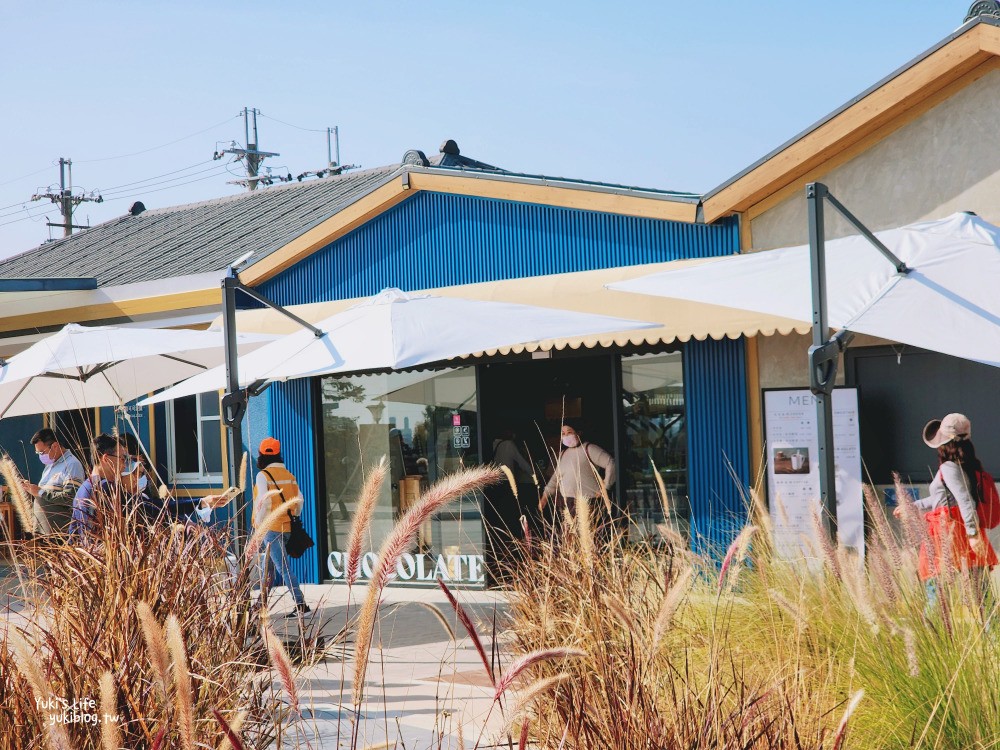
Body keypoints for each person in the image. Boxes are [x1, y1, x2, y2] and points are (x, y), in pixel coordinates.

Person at [895, 413, 997, 612]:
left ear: (944, 443)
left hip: (947, 534)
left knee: (936, 595)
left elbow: (964, 499)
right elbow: (943, 499)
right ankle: (994, 636)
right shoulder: (967, 465)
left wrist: (972, 534)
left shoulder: (949, 467)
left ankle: (933, 634)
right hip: (961, 530)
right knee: (982, 595)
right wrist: (913, 506)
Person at [252, 437, 310, 617]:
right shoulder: (289, 475)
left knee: (283, 567)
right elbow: (299, 500)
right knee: (267, 567)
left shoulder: (263, 475)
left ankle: (301, 605)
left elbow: (263, 502)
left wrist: (260, 527)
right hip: (287, 528)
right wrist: (293, 516)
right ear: (278, 454)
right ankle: (260, 606)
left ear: (261, 454)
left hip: (271, 528)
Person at [538, 421, 616, 533]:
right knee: (572, 538)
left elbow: (610, 463)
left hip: (588, 501)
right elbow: (555, 478)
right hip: (567, 502)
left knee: (590, 536)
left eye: (569, 432)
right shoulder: (562, 454)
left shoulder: (589, 448)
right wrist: (544, 496)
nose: (566, 436)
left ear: (578, 433)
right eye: (563, 434)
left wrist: (605, 486)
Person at [25, 428, 85, 535]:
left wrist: (40, 492)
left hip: (60, 534)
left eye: (42, 452)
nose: (40, 456)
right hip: (44, 533)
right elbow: (44, 494)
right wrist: (30, 488)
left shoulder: (71, 464)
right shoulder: (49, 466)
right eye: (37, 452)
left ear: (55, 446)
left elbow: (70, 497)